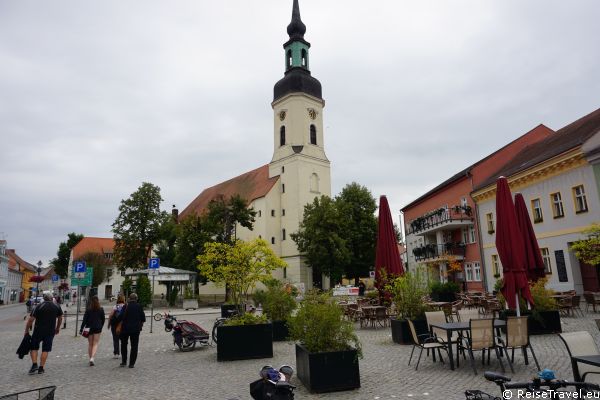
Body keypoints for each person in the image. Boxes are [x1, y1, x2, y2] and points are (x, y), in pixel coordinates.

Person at [24, 293, 63, 374]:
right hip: (50, 331)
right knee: (45, 349)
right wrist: (57, 328)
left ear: (44, 299)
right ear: (52, 299)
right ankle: (41, 368)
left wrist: (27, 330)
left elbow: (31, 320)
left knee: (34, 348)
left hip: (38, 331)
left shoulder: (38, 306)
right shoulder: (57, 306)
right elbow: (60, 318)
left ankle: (34, 364)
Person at [118, 292, 146, 368]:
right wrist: (140, 325)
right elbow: (143, 318)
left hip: (125, 329)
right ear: (136, 299)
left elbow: (120, 317)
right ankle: (131, 363)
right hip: (135, 329)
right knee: (134, 346)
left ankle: (124, 362)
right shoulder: (139, 306)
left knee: (124, 345)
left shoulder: (125, 306)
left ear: (129, 299)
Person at [79, 295, 105, 366]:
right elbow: (103, 319)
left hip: (89, 328)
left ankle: (90, 358)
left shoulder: (88, 310)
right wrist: (101, 326)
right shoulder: (101, 309)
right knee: (95, 343)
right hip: (97, 328)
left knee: (90, 344)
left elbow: (84, 320)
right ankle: (92, 358)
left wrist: (81, 329)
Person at [107, 294, 126, 358]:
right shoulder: (125, 306)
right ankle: (124, 353)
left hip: (115, 325)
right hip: (123, 325)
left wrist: (108, 324)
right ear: (123, 300)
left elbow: (110, 315)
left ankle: (116, 353)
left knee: (115, 339)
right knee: (123, 340)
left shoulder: (115, 306)